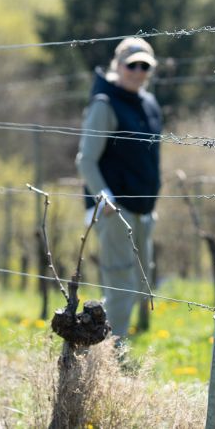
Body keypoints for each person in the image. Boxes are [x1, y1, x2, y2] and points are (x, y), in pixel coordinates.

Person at [76, 37, 162, 338]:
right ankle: (110, 356)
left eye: (144, 66)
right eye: (131, 65)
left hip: (143, 209)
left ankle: (107, 346)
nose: (137, 71)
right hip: (114, 209)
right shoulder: (105, 104)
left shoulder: (149, 103)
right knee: (120, 286)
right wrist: (104, 199)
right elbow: (86, 160)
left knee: (138, 283)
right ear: (118, 65)